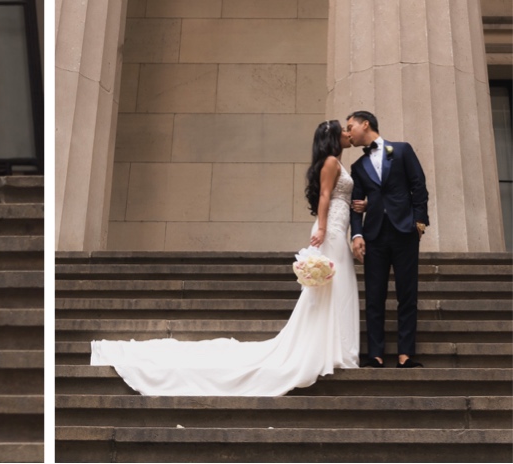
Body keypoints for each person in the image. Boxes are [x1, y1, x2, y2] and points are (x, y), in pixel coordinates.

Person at [88, 120, 359, 396]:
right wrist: (323, 227)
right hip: (332, 231)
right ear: (334, 137)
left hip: (338, 228)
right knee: (332, 287)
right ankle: (331, 349)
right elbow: (325, 195)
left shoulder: (336, 162)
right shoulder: (330, 163)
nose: (349, 134)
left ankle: (335, 348)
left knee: (337, 289)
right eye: (344, 131)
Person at [344, 110, 429, 368]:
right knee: (374, 295)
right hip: (375, 236)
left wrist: (419, 222)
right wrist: (357, 234)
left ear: (365, 124)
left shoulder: (401, 150)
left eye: (350, 127)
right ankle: (376, 355)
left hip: (405, 232)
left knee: (407, 294)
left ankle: (405, 354)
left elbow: (418, 185)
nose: (348, 133)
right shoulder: (357, 167)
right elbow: (355, 204)